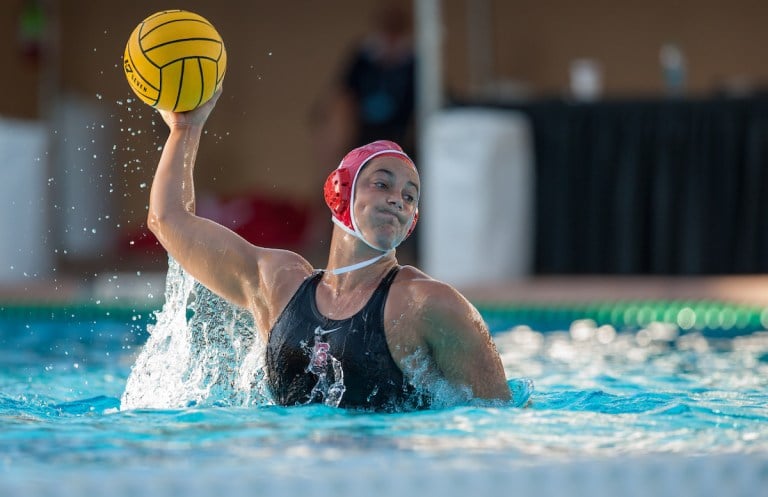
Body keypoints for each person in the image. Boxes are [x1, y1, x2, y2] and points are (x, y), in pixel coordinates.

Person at [148, 88, 510, 412]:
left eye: (409, 196)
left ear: (412, 220)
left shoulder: (426, 304)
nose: (397, 200)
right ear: (339, 192)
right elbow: (168, 220)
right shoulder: (278, 285)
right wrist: (185, 128)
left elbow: (496, 418)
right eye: (382, 183)